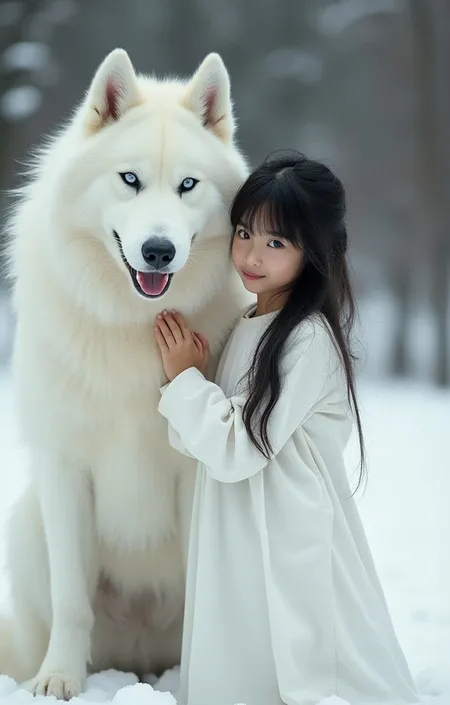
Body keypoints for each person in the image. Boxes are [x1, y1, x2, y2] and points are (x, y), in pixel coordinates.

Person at [153, 152, 420, 705]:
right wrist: (192, 385)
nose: (250, 254)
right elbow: (201, 441)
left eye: (276, 243)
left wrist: (185, 381)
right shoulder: (249, 324)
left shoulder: (307, 339)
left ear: (314, 252)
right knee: (245, 645)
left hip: (289, 532)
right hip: (242, 524)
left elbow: (239, 449)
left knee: (308, 657)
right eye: (245, 232)